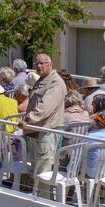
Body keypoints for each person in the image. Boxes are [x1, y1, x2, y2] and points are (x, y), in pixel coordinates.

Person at [21, 53, 66, 185]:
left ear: (50, 65)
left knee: (43, 173)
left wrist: (28, 120)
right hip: (36, 131)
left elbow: (45, 107)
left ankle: (43, 201)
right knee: (37, 170)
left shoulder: (55, 82)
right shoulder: (42, 80)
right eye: (37, 63)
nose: (39, 66)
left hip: (46, 133)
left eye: (42, 63)